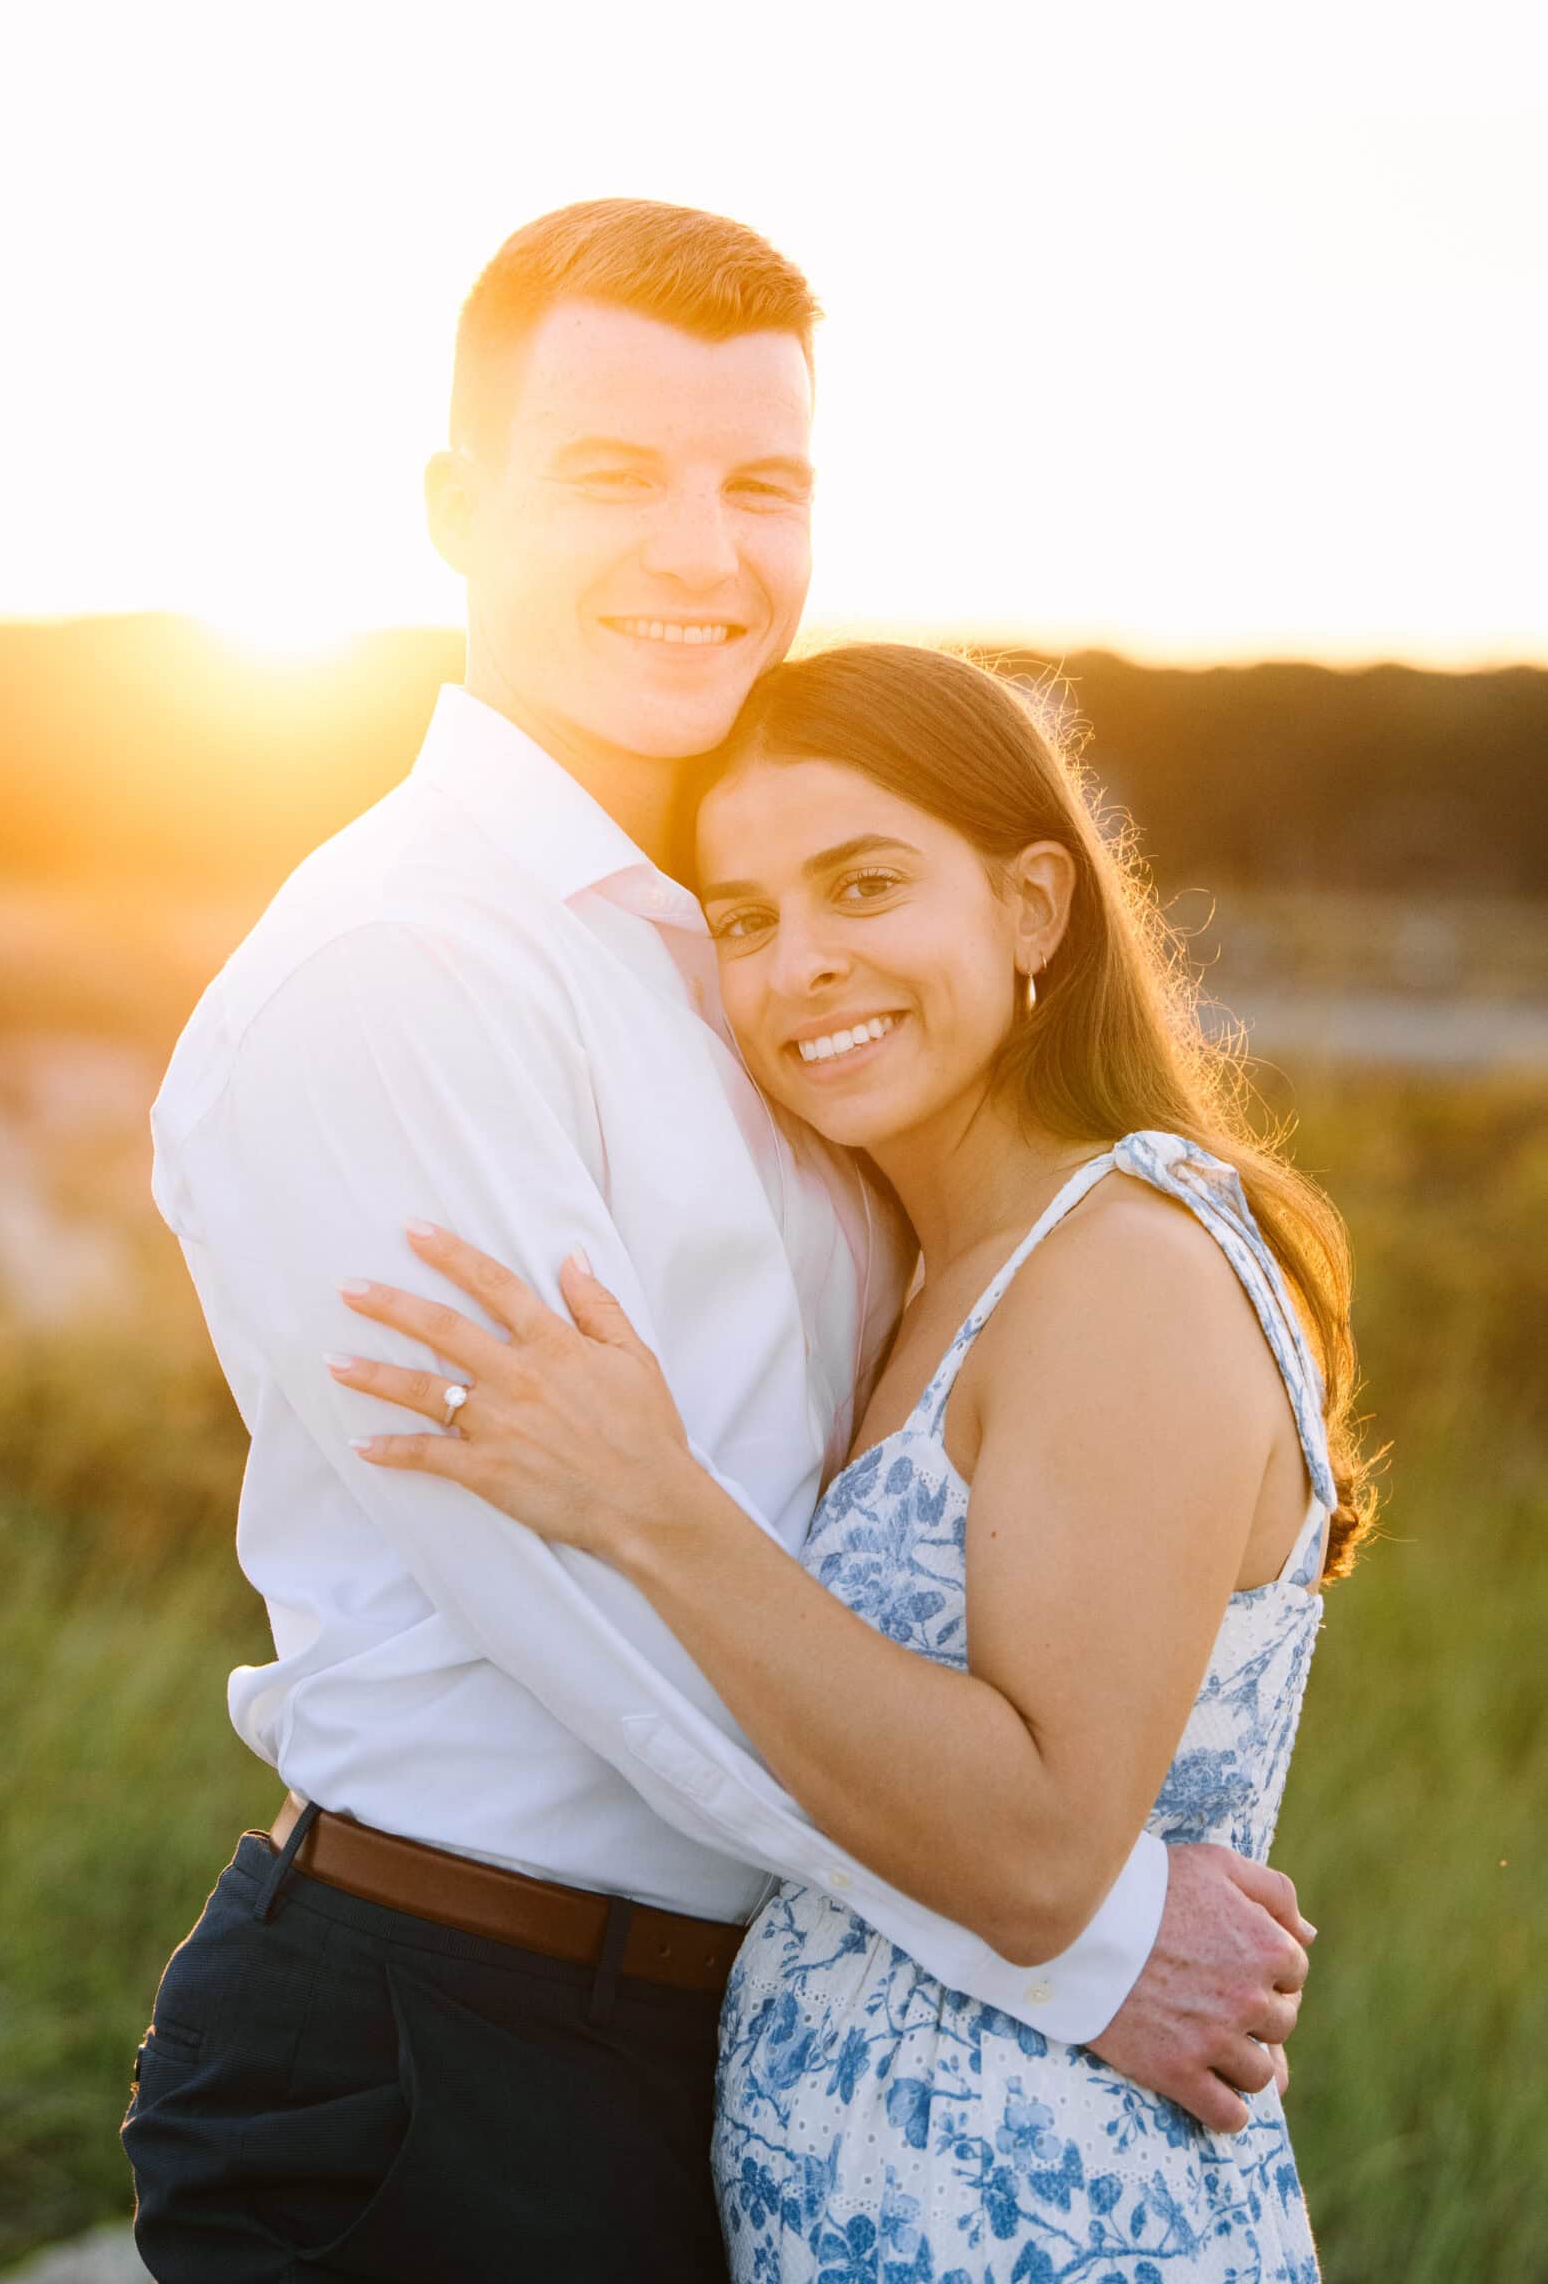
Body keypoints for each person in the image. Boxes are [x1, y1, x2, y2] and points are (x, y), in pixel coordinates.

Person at [126, 202, 1317, 2284]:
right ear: (454, 507)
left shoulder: (727, 959)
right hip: (452, 2038)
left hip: (712, 2047)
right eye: (614, 473)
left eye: (760, 482)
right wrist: (1078, 1936)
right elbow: (588, 1604)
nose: (703, 551)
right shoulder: (406, 972)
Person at [338, 639, 1372, 2281]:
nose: (799, 964)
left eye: (865, 885)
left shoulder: (1123, 1268)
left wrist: (649, 1505)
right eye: (742, 919)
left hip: (1051, 2225)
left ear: (1032, 910)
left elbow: (1042, 1851)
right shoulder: (925, 1265)